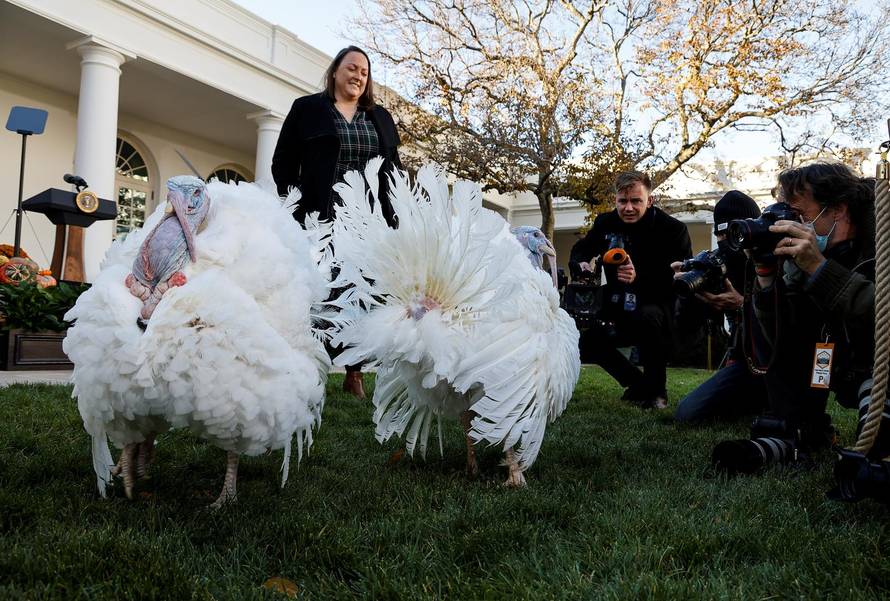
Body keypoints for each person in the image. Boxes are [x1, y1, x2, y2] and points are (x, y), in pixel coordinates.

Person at [712, 162, 876, 473]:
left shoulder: (880, 239)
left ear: (838, 210)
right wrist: (764, 275)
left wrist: (819, 267)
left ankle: (874, 431)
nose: (795, 224)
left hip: (871, 365)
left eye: (800, 215)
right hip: (829, 361)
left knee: (875, 451)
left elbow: (881, 313)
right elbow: (776, 338)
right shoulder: (797, 255)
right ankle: (796, 432)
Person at [272, 45, 403, 399]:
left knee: (361, 292)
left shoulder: (380, 117)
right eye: (352, 68)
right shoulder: (308, 109)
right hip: (320, 216)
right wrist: (295, 204)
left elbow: (394, 170)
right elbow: (282, 161)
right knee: (317, 291)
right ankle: (309, 364)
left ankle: (354, 371)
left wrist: (397, 215)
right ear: (334, 72)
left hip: (367, 220)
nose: (359, 75)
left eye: (364, 71)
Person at [569, 171, 692, 409]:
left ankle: (657, 392)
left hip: (657, 302)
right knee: (585, 337)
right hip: (615, 300)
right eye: (622, 201)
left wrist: (640, 277)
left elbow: (682, 276)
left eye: (636, 201)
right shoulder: (605, 222)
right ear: (615, 200)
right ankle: (637, 384)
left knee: (649, 317)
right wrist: (581, 263)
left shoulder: (673, 229)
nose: (628, 208)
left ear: (650, 200)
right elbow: (582, 248)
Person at [673, 190, 767, 423]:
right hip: (744, 362)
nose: (728, 247)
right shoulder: (717, 269)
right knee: (688, 413)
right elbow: (686, 336)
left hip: (781, 363)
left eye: (736, 236)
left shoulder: (771, 262)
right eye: (722, 237)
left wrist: (741, 305)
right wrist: (687, 293)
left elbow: (785, 326)